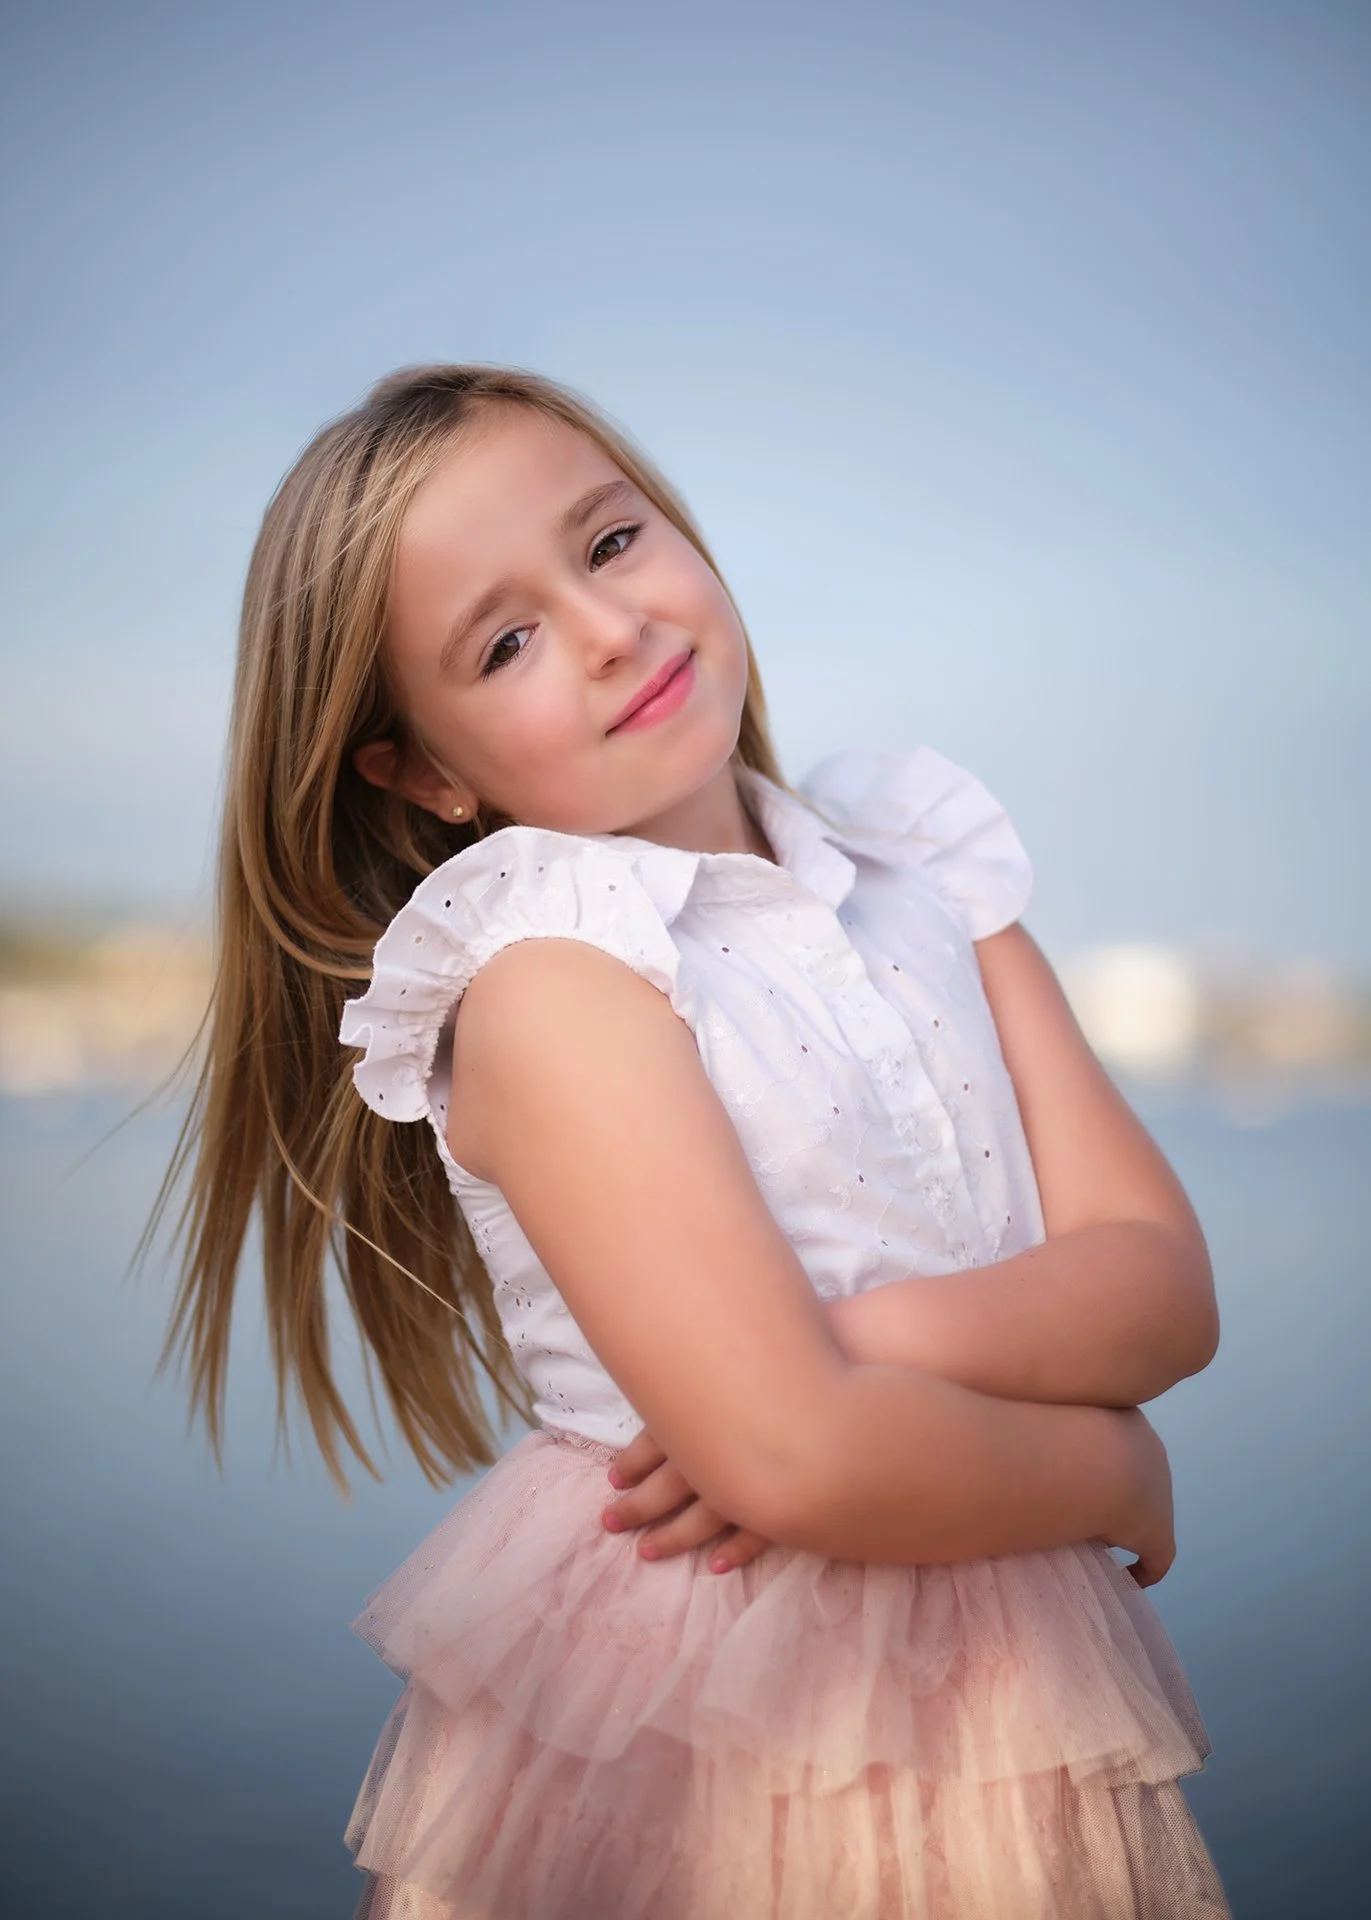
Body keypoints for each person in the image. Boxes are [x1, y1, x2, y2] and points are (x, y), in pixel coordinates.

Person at [162, 363, 1230, 1917]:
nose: (606, 630)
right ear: (426, 770)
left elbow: (1162, 1292)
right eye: (505, 642)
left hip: (1004, 1675)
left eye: (608, 543)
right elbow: (794, 1461)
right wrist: (1114, 1466)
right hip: (708, 1696)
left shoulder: (924, 884)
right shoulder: (548, 980)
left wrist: (854, 1340)